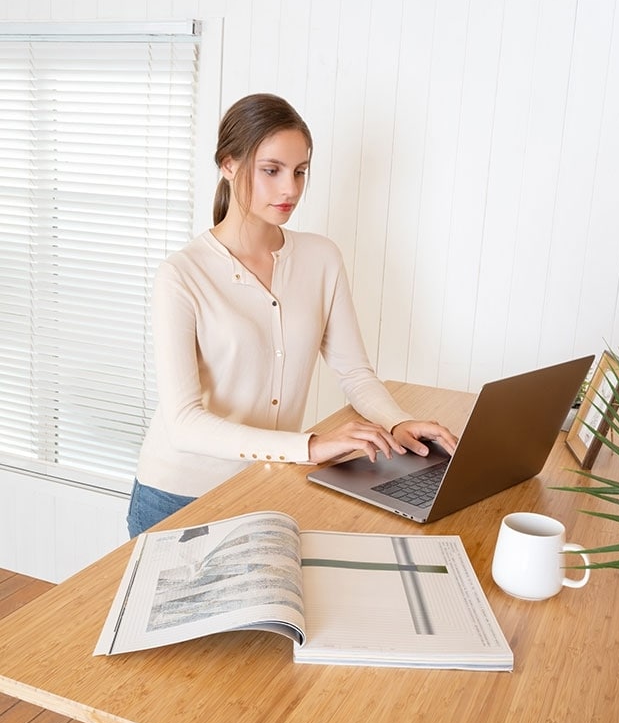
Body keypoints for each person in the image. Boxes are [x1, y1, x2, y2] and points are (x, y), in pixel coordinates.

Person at [127, 93, 458, 539]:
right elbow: (184, 422)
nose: (290, 189)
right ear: (228, 164)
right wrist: (311, 447)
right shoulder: (182, 275)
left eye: (300, 171)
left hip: (266, 485)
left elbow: (355, 373)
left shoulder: (321, 259)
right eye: (271, 171)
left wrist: (396, 422)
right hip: (177, 496)